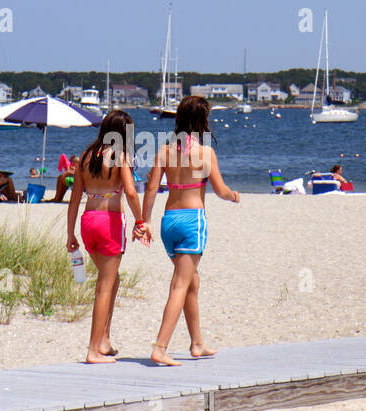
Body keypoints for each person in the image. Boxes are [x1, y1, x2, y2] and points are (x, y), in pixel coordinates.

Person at [140, 96, 239, 367]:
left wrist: (144, 221)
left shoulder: (165, 150)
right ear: (202, 120)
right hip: (192, 221)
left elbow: (150, 189)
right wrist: (233, 196)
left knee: (192, 282)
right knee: (180, 285)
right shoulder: (205, 153)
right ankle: (160, 348)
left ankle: (197, 342)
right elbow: (219, 190)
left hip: (168, 221)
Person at [66, 110, 151, 364]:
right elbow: (132, 193)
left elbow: (74, 198)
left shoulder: (85, 156)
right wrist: (141, 221)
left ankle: (103, 340)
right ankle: (93, 349)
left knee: (112, 281)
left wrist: (70, 234)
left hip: (88, 221)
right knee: (105, 285)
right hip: (109, 223)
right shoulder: (120, 156)